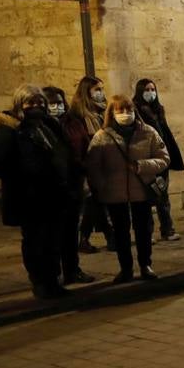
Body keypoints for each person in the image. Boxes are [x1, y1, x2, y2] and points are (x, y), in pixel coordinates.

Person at [0, 86, 77, 299]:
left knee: (53, 241)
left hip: (54, 195)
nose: (37, 107)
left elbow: (64, 151)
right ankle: (40, 282)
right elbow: (0, 163)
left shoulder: (49, 125)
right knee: (35, 243)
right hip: (29, 198)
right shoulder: (10, 129)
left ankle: (53, 281)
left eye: (40, 103)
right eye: (31, 103)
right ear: (20, 104)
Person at [85, 95, 170, 283]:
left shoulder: (148, 132)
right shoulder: (102, 136)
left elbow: (164, 158)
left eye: (129, 110)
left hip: (141, 191)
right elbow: (93, 165)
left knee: (144, 230)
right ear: (112, 113)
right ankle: (126, 268)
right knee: (121, 232)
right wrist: (102, 186)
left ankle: (146, 264)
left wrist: (142, 165)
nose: (125, 114)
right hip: (115, 194)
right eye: (120, 110)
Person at [43, 85, 93, 286]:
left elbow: (84, 147)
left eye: (59, 102)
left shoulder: (73, 123)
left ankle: (72, 269)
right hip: (51, 188)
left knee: (71, 231)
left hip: (74, 183)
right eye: (52, 103)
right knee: (52, 234)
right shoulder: (41, 126)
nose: (57, 106)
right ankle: (52, 275)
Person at [65, 76, 115, 253]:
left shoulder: (103, 111)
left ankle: (105, 236)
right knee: (95, 201)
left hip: (104, 160)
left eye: (102, 89)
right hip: (89, 161)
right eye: (97, 90)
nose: (101, 93)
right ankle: (92, 237)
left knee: (98, 201)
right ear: (87, 92)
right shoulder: (79, 114)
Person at [133, 78, 184, 242]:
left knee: (163, 195)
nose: (150, 93)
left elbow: (164, 132)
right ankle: (147, 233)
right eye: (147, 90)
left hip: (162, 157)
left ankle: (167, 229)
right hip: (148, 158)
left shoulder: (158, 109)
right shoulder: (136, 109)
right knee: (147, 196)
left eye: (152, 89)